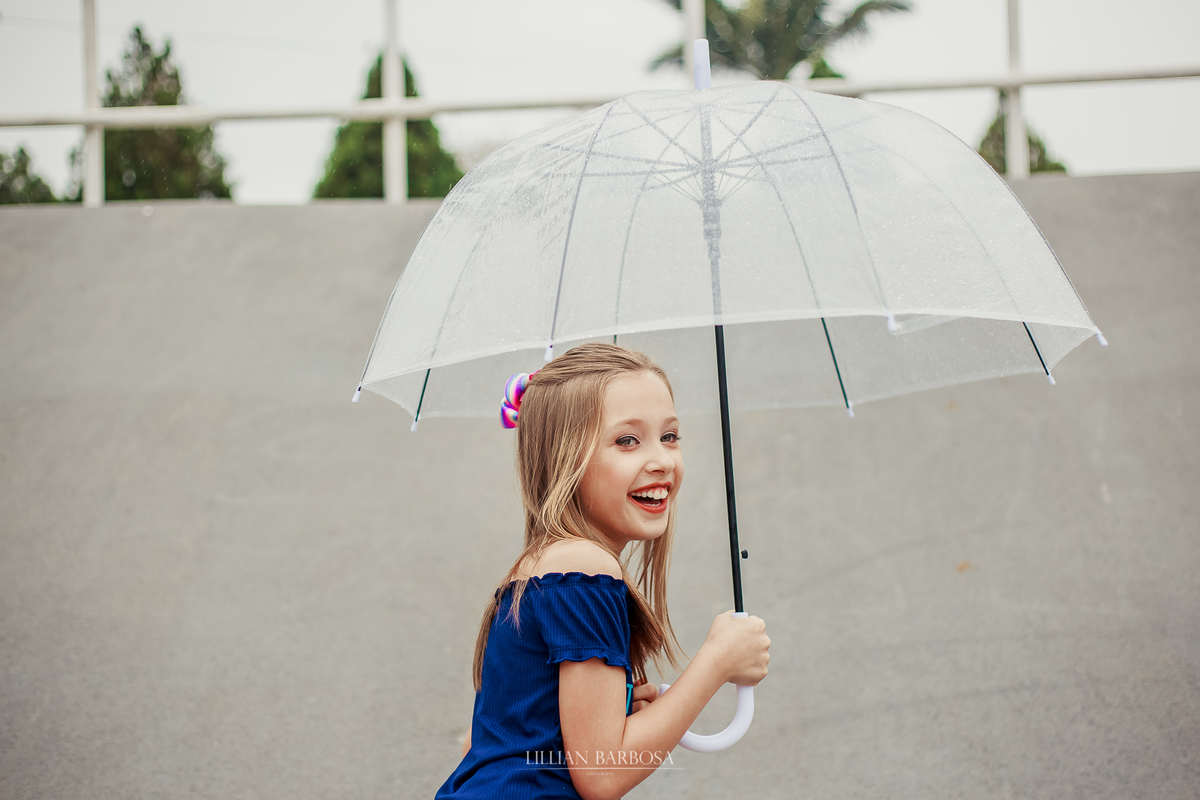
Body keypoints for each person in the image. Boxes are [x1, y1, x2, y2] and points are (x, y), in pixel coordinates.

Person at [435, 343, 770, 800]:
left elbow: (487, 745)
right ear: (564, 461)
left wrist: (619, 712)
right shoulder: (584, 569)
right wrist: (717, 662)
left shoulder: (547, 567)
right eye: (627, 440)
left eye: (670, 436)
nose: (662, 460)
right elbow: (602, 774)